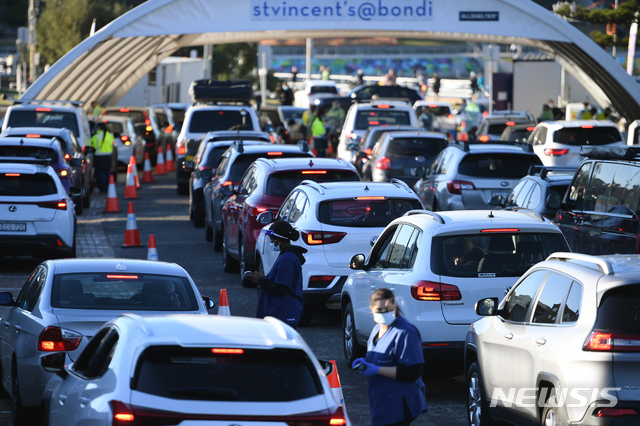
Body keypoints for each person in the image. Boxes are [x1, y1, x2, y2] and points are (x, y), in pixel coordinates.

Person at [352, 288, 428, 426]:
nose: (384, 313)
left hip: (398, 405)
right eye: (380, 310)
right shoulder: (378, 328)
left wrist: (376, 370)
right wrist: (365, 363)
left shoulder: (405, 333)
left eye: (388, 309)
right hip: (382, 403)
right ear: (371, 309)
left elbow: (413, 372)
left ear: (394, 306)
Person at [246, 220, 306, 329]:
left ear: (279, 241)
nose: (271, 242)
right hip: (279, 312)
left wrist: (260, 281)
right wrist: (264, 278)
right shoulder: (285, 256)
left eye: (272, 239)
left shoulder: (288, 259)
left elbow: (281, 288)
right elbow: (280, 279)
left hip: (284, 313)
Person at [90, 122, 114, 193]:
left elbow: (93, 147)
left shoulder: (95, 137)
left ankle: (102, 189)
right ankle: (106, 188)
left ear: (99, 128)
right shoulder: (110, 135)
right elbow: (112, 145)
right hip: (108, 157)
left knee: (100, 174)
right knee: (107, 173)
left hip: (99, 157)